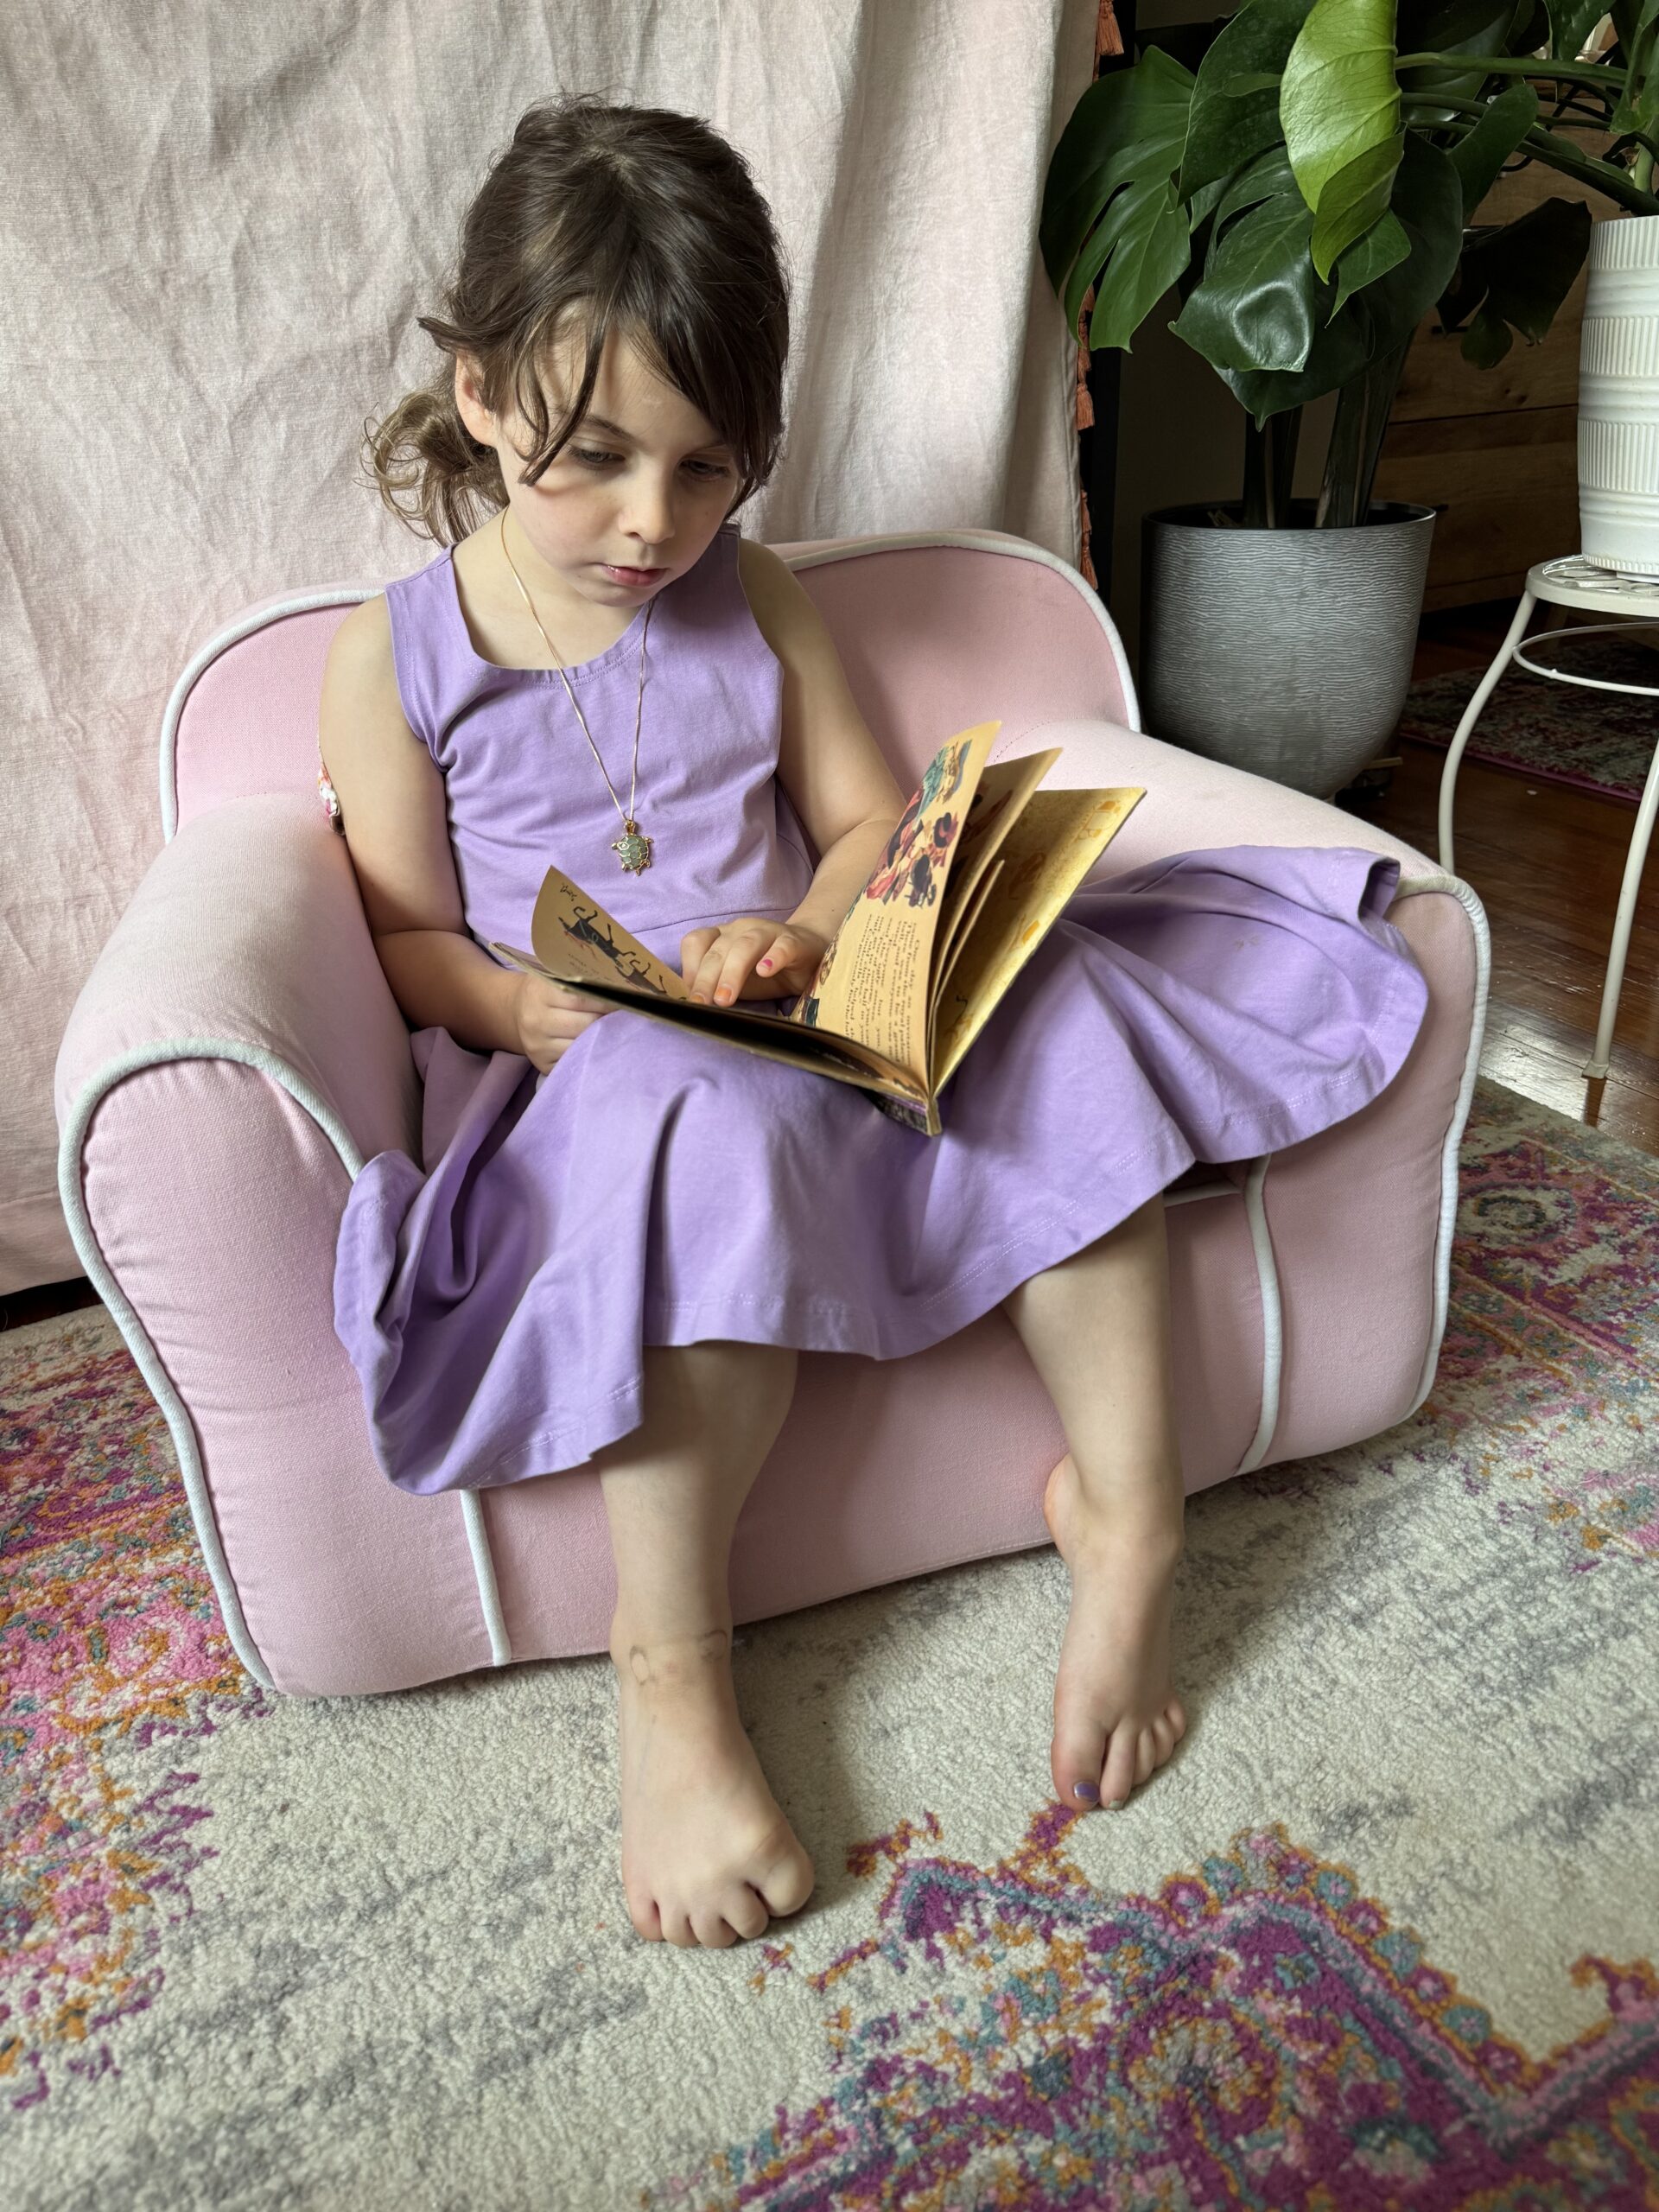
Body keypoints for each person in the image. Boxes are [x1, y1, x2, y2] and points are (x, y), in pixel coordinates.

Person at [320, 93, 1429, 1954]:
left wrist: (806, 925)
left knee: (1054, 985)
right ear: (486, 390)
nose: (651, 523)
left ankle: (1131, 1512)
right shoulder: (405, 650)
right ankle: (670, 1671)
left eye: (702, 469)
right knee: (693, 1099)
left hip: (809, 1017)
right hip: (598, 1077)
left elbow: (865, 823)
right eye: (594, 460)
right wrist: (519, 1000)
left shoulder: (750, 598)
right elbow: (404, 935)